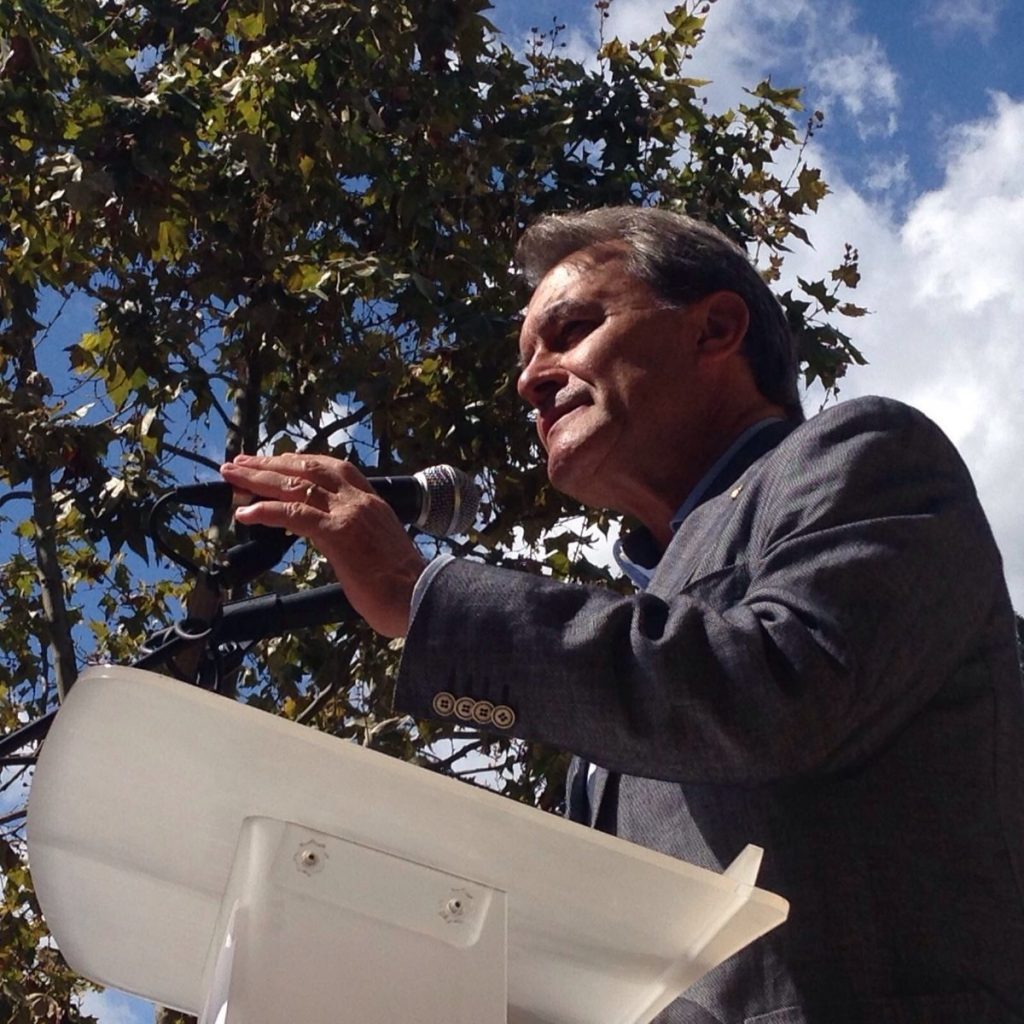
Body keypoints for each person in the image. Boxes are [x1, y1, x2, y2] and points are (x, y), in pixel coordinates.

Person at [220, 206, 1024, 1023]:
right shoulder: (649, 609)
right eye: (527, 357)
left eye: (570, 330)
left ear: (715, 329)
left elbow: (785, 688)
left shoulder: (866, 452)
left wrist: (418, 591)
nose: (530, 381)